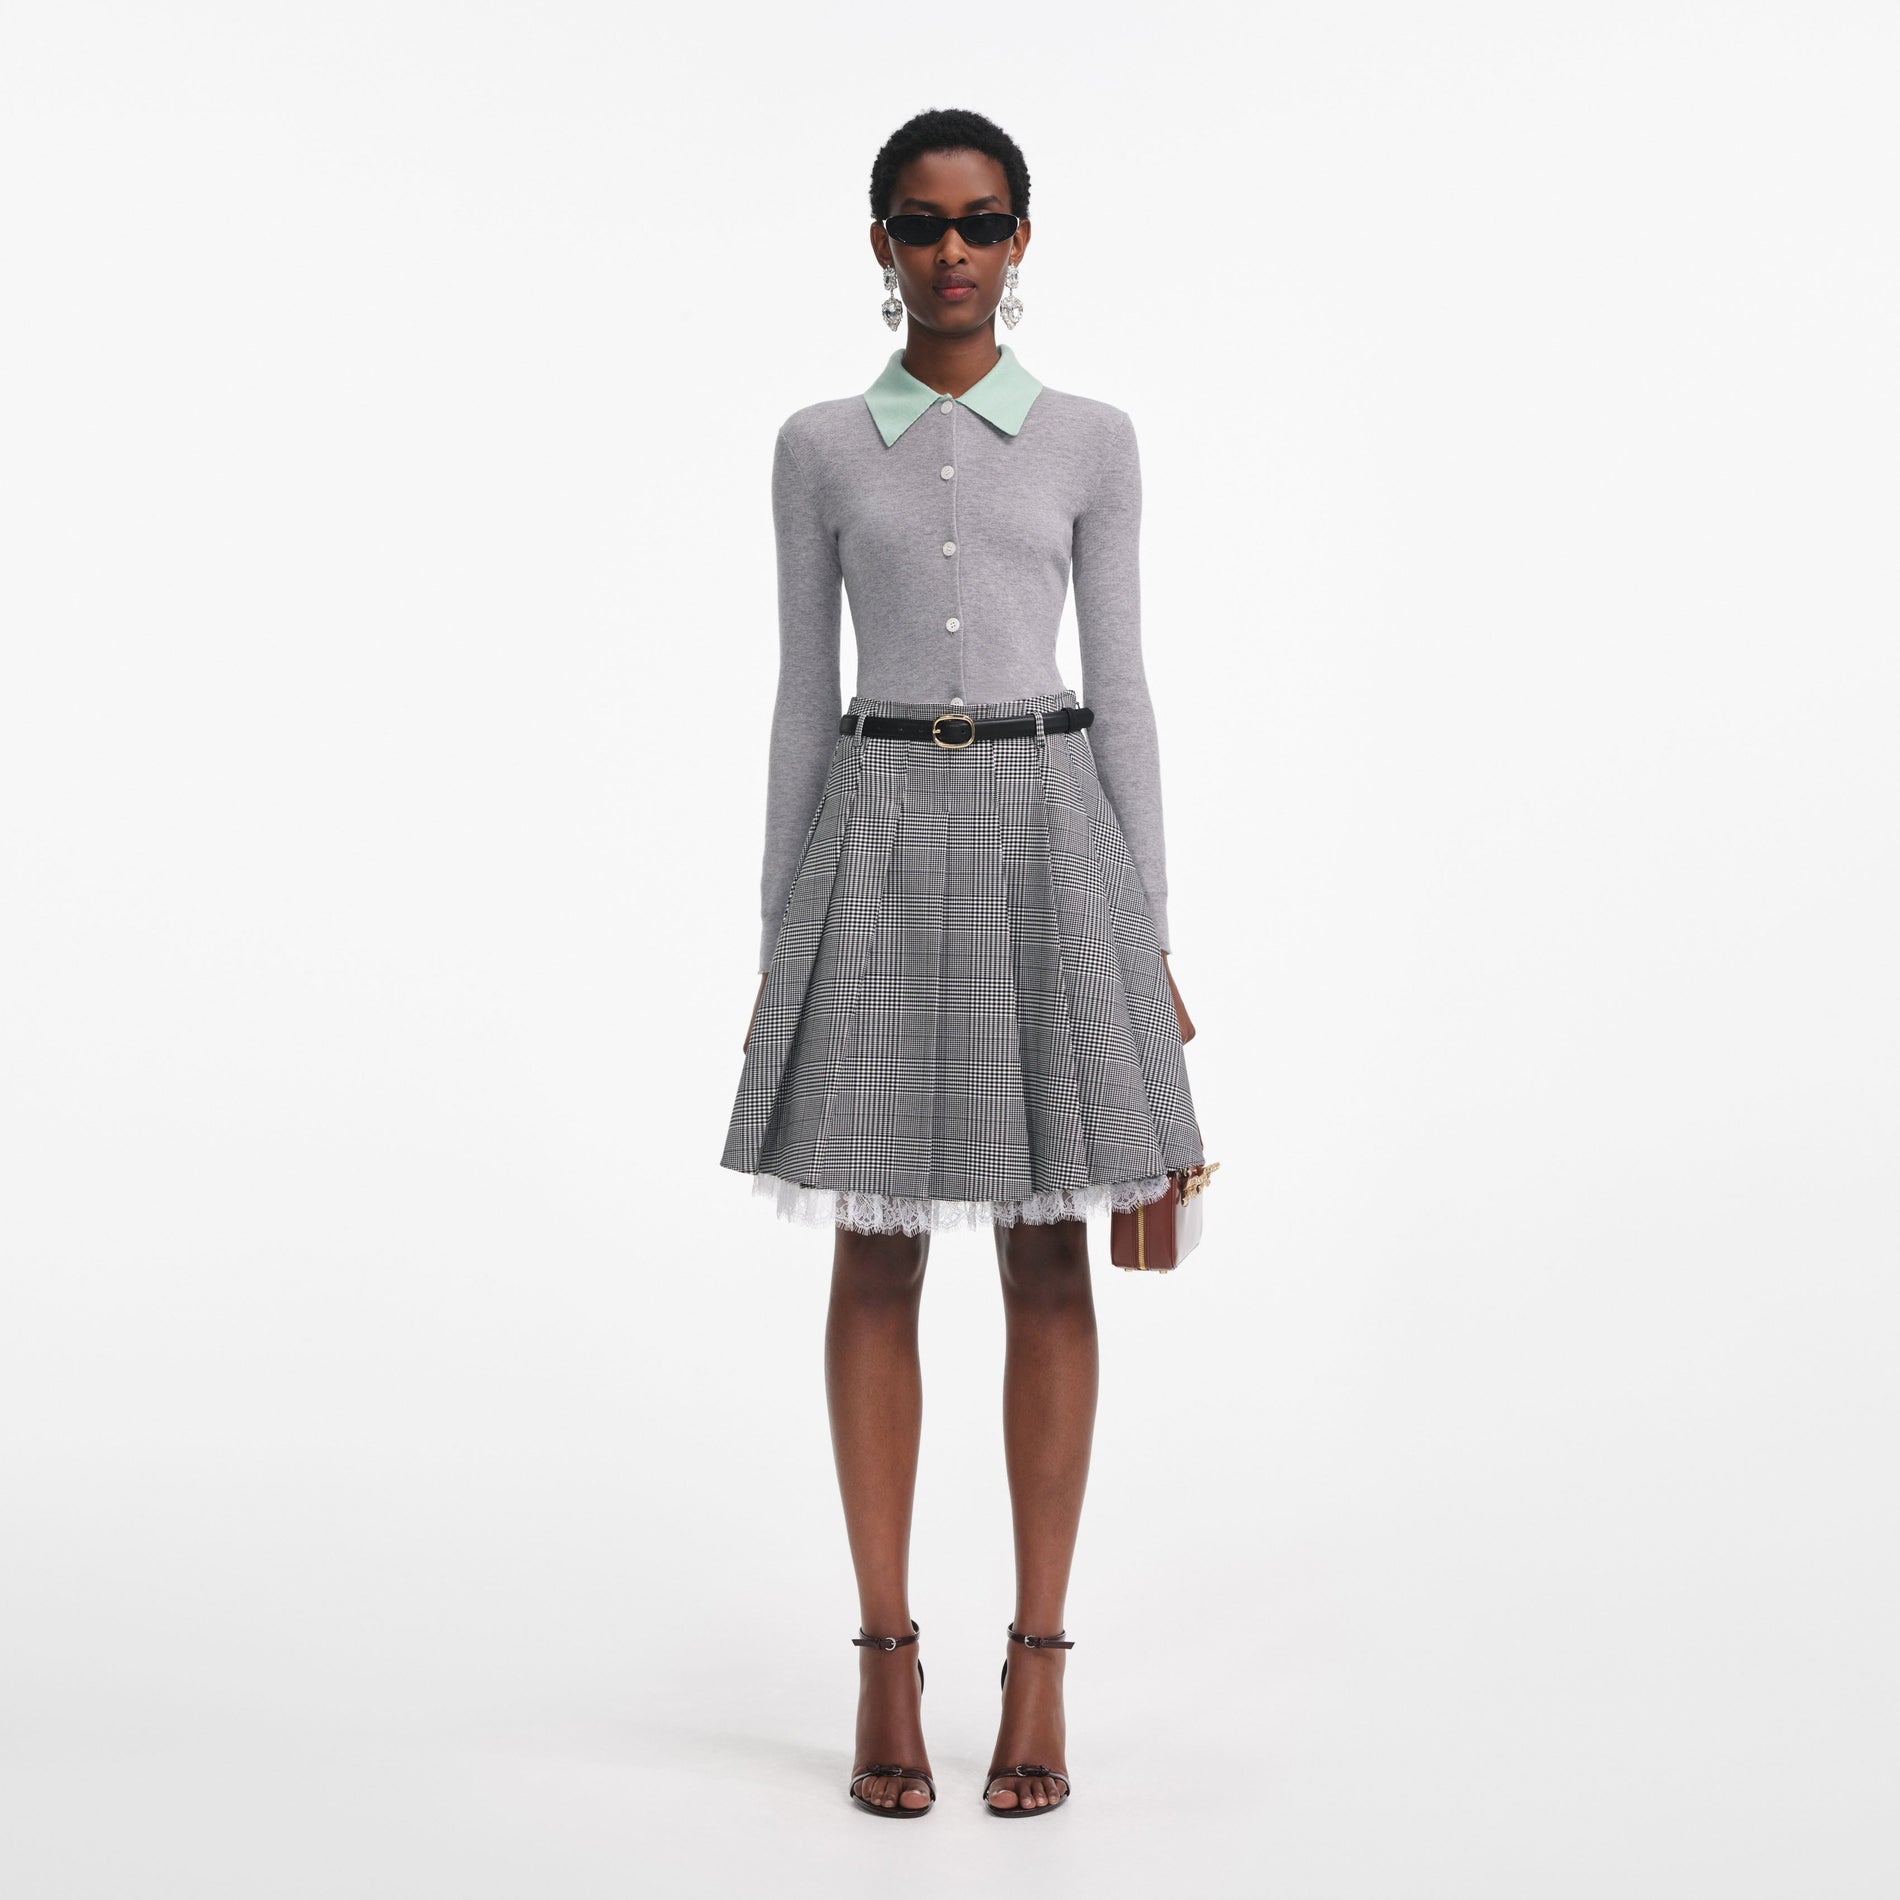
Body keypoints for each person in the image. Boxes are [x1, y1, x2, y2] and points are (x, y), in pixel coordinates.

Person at [719, 107, 1204, 1819]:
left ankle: (1039, 1660)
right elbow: (802, 693)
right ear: (880, 244)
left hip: (1049, 830)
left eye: (982, 221)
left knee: (1052, 1256)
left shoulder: (1091, 440)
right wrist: (779, 932)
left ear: (1020, 238)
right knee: (875, 1252)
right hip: (876, 829)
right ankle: (885, 1655)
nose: (953, 253)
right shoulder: (817, 448)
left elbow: (1123, 688)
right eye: (922, 225)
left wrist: (1150, 936)